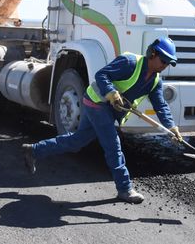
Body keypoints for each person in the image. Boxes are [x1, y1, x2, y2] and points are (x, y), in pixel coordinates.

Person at [22, 37, 181, 204]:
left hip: (109, 110)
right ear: (152, 53)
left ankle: (33, 150)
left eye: (169, 63)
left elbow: (160, 105)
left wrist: (172, 127)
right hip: (96, 102)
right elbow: (101, 75)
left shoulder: (155, 81)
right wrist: (111, 92)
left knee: (76, 142)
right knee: (113, 145)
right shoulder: (129, 62)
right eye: (163, 60)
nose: (165, 65)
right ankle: (125, 188)